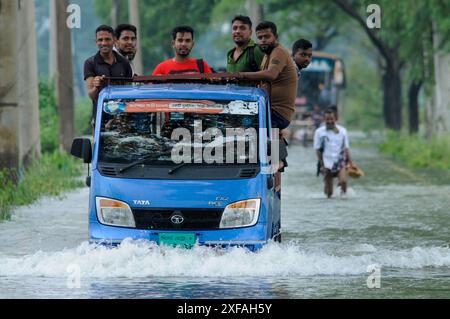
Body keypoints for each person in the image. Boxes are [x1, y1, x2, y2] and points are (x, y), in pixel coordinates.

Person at [84, 25, 133, 126]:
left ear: (114, 40)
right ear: (96, 42)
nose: (104, 43)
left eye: (107, 39)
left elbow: (129, 94)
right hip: (100, 119)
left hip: (123, 118)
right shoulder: (90, 63)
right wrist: (96, 87)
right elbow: (91, 95)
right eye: (100, 40)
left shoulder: (124, 63)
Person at [313, 107, 353, 198]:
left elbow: (346, 148)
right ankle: (327, 188)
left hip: (340, 161)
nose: (330, 121)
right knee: (329, 193)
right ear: (324, 119)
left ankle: (344, 198)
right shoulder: (319, 132)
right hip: (326, 163)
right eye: (327, 119)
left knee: (343, 181)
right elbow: (317, 150)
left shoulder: (343, 131)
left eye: (332, 119)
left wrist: (351, 163)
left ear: (336, 119)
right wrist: (321, 164)